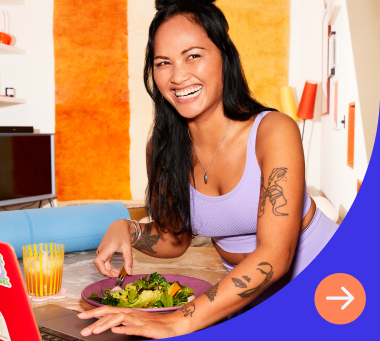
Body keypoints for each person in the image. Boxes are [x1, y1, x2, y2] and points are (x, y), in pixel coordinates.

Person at [78, 0, 339, 338]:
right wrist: (129, 229)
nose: (178, 75)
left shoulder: (274, 131)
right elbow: (174, 239)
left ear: (224, 57)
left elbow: (275, 256)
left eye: (193, 55)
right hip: (249, 302)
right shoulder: (163, 149)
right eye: (163, 63)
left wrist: (179, 320)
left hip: (331, 284)